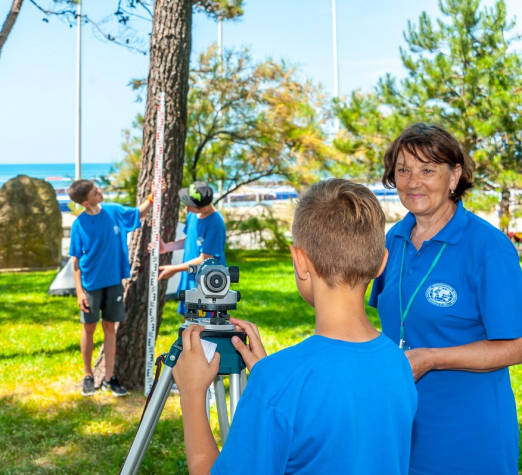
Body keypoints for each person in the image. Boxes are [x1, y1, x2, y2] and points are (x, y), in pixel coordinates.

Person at [172, 178, 418, 474]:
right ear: (382, 263)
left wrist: (191, 393)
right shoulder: (398, 362)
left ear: (300, 261)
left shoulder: (279, 381)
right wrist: (273, 375)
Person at [369, 123, 522, 474]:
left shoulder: (489, 249)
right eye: (403, 170)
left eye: (427, 170)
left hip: (468, 435)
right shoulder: (394, 239)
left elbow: (517, 346)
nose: (412, 181)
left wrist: (432, 358)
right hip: (401, 425)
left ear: (454, 176)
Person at [68, 179, 152, 397]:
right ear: (86, 203)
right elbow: (75, 262)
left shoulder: (113, 211)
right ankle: (88, 375)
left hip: (114, 282)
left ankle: (109, 378)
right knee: (89, 328)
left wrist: (153, 196)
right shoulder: (79, 225)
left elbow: (138, 214)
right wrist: (79, 292)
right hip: (90, 286)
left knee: (110, 329)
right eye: (95, 193)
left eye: (98, 189)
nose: (100, 192)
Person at [157, 181, 226, 316]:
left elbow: (204, 259)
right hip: (189, 278)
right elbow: (190, 239)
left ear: (204, 208)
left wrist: (174, 269)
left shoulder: (215, 224)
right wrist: (166, 247)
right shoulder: (193, 215)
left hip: (207, 284)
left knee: (203, 327)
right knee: (188, 322)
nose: (186, 209)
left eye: (190, 206)